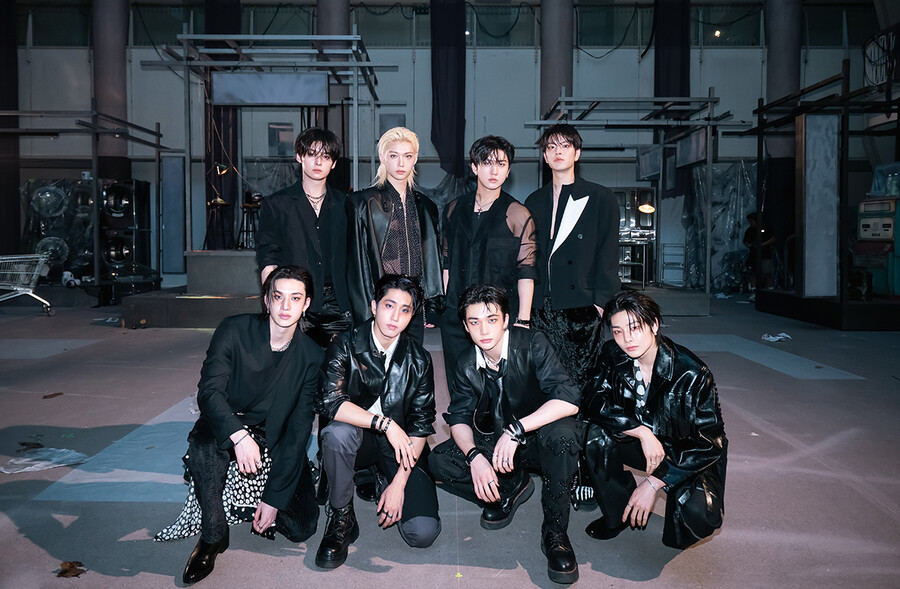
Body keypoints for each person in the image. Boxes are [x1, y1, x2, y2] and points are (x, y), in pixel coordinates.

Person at [173, 265, 323, 584]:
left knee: (303, 527)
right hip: (230, 420)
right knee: (203, 445)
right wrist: (239, 436)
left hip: (275, 435)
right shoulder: (234, 329)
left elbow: (299, 429)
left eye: (295, 298)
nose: (285, 306)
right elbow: (209, 392)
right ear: (266, 300)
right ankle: (213, 534)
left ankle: (248, 500)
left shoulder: (311, 356)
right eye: (278, 297)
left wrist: (273, 499)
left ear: (306, 303)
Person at [429, 284, 583, 584]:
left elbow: (569, 399)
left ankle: (555, 534)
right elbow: (458, 418)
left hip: (539, 435)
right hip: (497, 443)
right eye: (474, 322)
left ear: (506, 320)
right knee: (439, 460)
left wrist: (518, 429)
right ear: (465, 326)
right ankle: (510, 488)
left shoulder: (533, 342)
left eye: (491, 319)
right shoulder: (465, 362)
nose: (484, 330)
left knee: (563, 437)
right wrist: (474, 457)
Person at [581, 290, 727, 549]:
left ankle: (676, 508)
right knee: (595, 436)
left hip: (682, 453)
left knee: (699, 512)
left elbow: (709, 442)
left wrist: (653, 482)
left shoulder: (692, 373)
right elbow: (592, 400)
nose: (627, 339)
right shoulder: (612, 354)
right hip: (642, 443)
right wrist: (640, 431)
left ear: (654, 324)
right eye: (617, 331)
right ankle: (618, 512)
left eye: (634, 328)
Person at [315, 274, 441, 569]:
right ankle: (342, 516)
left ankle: (382, 476)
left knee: (422, 532)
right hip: (357, 438)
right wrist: (385, 424)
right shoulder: (344, 344)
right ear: (374, 306)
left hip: (400, 448)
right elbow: (330, 402)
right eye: (389, 305)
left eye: (405, 310)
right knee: (337, 434)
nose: (395, 317)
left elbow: (421, 424)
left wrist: (399, 483)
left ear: (412, 315)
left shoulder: (419, 359)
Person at [524, 123, 620, 388]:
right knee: (542, 380)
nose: (558, 152)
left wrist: (600, 303)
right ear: (545, 156)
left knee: (581, 380)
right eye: (551, 147)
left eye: (565, 146)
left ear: (577, 153)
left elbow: (609, 254)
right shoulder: (533, 200)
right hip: (540, 307)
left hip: (581, 305)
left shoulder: (601, 198)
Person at [441, 135, 537, 393]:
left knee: (496, 389)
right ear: (474, 167)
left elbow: (526, 270)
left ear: (508, 170)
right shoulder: (453, 209)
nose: (494, 170)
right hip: (458, 317)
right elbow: (447, 263)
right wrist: (448, 307)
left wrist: (523, 320)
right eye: (486, 163)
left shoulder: (517, 213)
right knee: (459, 387)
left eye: (501, 164)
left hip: (497, 319)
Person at [346, 127, 443, 344]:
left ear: (415, 159)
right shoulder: (363, 203)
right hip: (381, 304)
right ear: (383, 158)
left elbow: (432, 259)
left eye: (407, 156)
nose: (401, 163)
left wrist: (432, 304)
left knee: (411, 361)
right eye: (393, 156)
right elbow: (357, 266)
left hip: (413, 305)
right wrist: (366, 313)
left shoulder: (426, 206)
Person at [256, 127, 352, 347]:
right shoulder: (276, 204)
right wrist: (272, 303)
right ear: (299, 157)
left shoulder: (346, 205)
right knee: (294, 367)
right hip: (294, 303)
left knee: (338, 367)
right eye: (311, 154)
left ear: (334, 163)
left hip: (338, 305)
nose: (318, 162)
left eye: (325, 157)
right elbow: (267, 257)